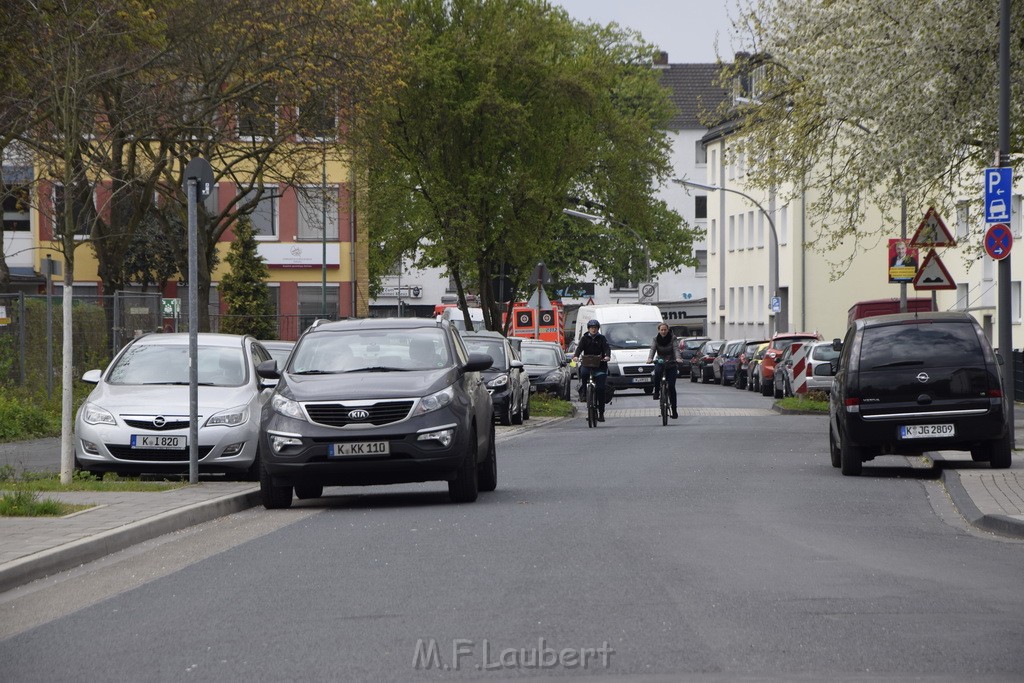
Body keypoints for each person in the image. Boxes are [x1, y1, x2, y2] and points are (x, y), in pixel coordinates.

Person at [572, 319, 611, 422]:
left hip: (600, 365)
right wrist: (576, 356)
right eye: (591, 328)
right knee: (583, 373)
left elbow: (607, 348)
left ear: (598, 329)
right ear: (588, 329)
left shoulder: (602, 338)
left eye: (595, 328)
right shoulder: (584, 338)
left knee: (601, 389)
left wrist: (607, 356)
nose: (593, 330)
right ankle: (585, 393)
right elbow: (579, 348)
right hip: (588, 364)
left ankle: (601, 413)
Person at [646, 323, 682, 419]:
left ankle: (674, 410)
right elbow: (653, 349)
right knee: (657, 372)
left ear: (667, 329)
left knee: (671, 387)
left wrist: (678, 358)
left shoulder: (673, 338)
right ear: (659, 330)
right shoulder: (655, 339)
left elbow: (676, 349)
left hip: (672, 363)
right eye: (661, 330)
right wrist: (650, 358)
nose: (663, 331)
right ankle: (657, 391)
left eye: (665, 329)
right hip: (660, 361)